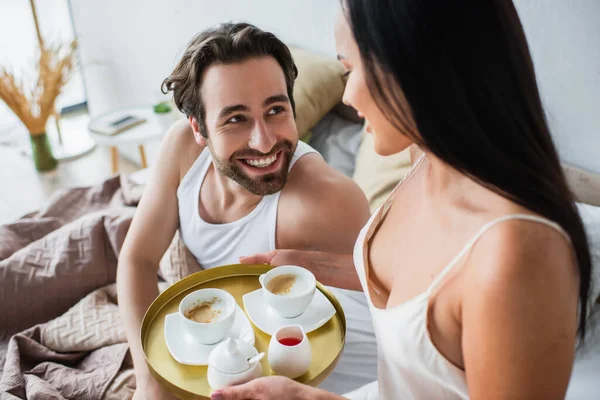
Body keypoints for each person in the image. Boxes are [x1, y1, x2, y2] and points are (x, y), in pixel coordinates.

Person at [215, 1, 593, 399]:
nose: (346, 95)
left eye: (350, 69)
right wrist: (307, 265)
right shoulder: (424, 158)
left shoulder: (518, 255)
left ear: (419, 67)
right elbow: (413, 281)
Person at [116, 23, 371, 400]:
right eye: (236, 119)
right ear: (198, 128)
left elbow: (400, 307)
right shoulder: (182, 151)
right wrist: (149, 380)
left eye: (275, 109)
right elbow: (137, 259)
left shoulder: (327, 200)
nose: (264, 140)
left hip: (342, 381)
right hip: (242, 362)